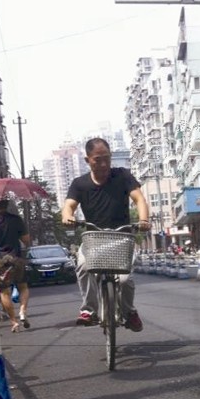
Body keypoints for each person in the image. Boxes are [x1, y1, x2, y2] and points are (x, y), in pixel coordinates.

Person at [61, 138, 150, 331]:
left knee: (125, 280)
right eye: (98, 159)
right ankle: (89, 310)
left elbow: (139, 199)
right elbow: (69, 205)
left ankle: (129, 312)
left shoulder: (122, 176)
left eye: (107, 158)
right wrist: (67, 216)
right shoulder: (79, 184)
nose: (103, 164)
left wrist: (143, 220)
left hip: (122, 238)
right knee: (83, 267)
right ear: (87, 160)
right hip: (93, 240)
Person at [0, 197, 31, 333]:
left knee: (4, 292)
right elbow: (26, 240)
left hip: (0, 260)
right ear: (7, 204)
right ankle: (22, 311)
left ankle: (14, 322)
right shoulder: (17, 219)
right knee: (23, 287)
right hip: (17, 258)